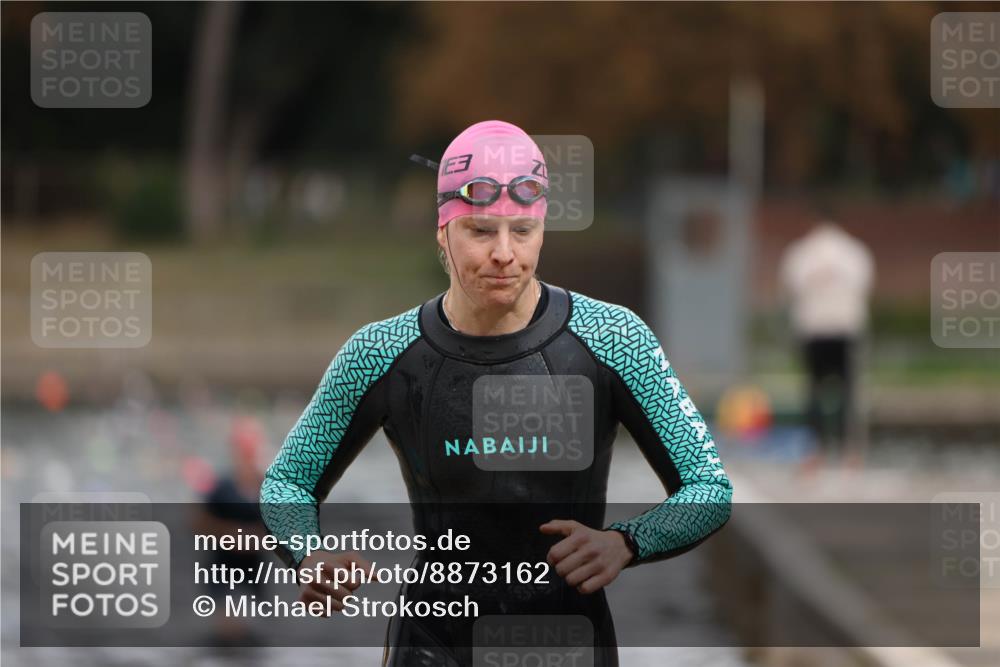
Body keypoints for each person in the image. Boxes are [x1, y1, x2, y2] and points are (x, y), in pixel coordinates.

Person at [259, 120, 733, 666]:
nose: (504, 253)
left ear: (543, 228)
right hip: (433, 645)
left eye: (522, 231)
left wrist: (625, 543)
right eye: (481, 231)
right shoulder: (380, 352)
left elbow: (707, 489)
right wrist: (309, 554)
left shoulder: (614, 337)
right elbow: (288, 482)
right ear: (443, 233)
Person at [779, 220, 875, 467]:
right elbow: (865, 285)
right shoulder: (854, 252)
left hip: (817, 329)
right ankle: (847, 452)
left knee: (815, 390)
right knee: (847, 390)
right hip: (842, 328)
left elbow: (790, 286)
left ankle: (817, 451)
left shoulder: (802, 253)